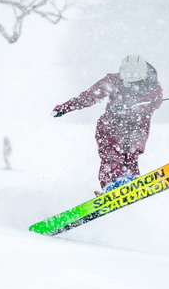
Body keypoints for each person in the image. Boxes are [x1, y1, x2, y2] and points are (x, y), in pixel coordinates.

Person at [52, 55, 163, 191]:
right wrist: (65, 107)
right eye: (126, 74)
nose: (130, 78)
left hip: (137, 128)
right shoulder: (114, 81)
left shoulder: (151, 86)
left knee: (130, 156)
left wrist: (129, 107)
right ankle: (111, 185)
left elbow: (154, 103)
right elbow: (89, 96)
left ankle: (130, 181)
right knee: (112, 156)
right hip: (111, 126)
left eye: (133, 75)